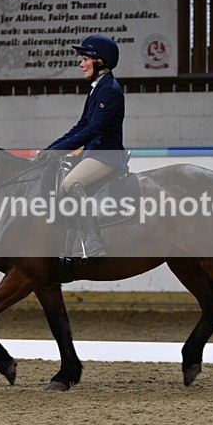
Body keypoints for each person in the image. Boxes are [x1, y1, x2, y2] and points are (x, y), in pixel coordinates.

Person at [37, 34, 127, 258]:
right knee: (58, 174)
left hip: (106, 155)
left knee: (71, 182)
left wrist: (60, 150)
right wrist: (51, 149)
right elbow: (81, 125)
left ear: (100, 61)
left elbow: (93, 130)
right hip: (92, 153)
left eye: (85, 59)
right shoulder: (97, 87)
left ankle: (93, 241)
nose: (81, 63)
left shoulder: (109, 90)